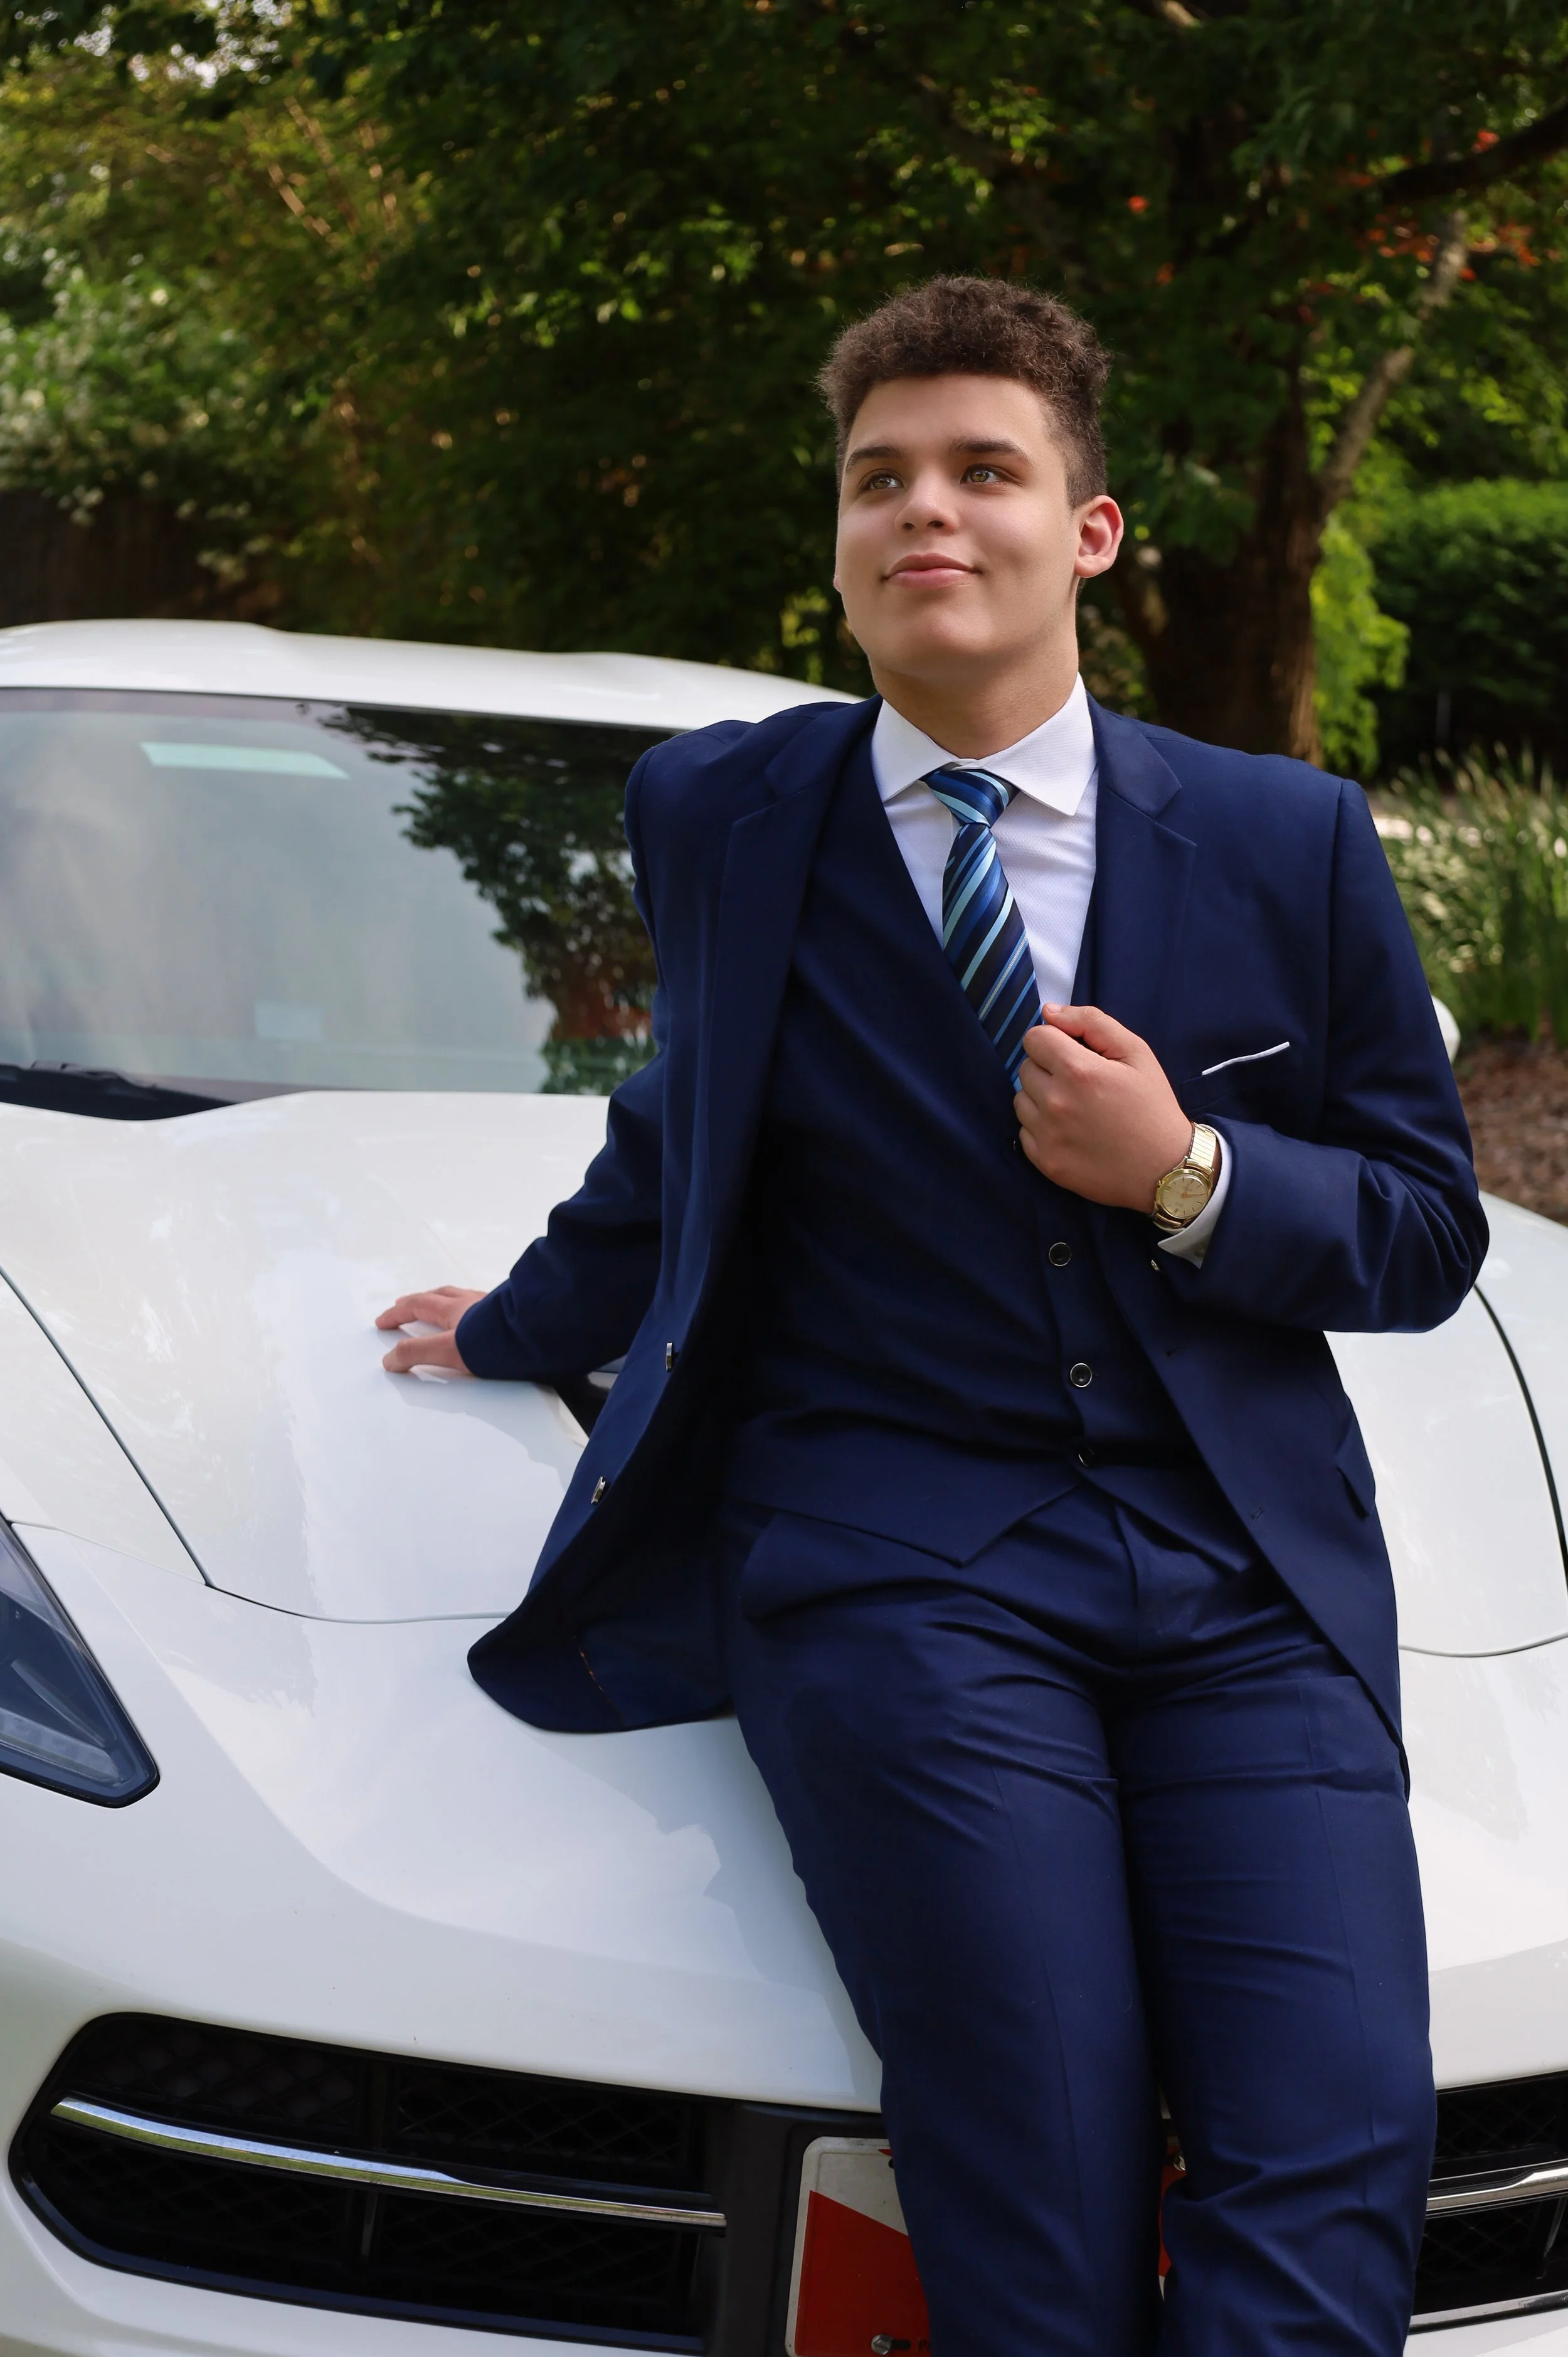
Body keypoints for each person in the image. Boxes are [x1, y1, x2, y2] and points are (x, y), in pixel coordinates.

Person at [378, 275, 1485, 2357]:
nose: (925, 514)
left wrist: (1187, 1171)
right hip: (899, 1561)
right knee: (1033, 2158)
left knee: (1328, 2152)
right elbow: (676, 1136)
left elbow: (1426, 1231)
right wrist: (519, 1321)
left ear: (1087, 530)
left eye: (986, 470)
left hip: (1239, 1574)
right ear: (839, 533)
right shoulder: (724, 811)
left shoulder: (1280, 838)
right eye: (877, 477)